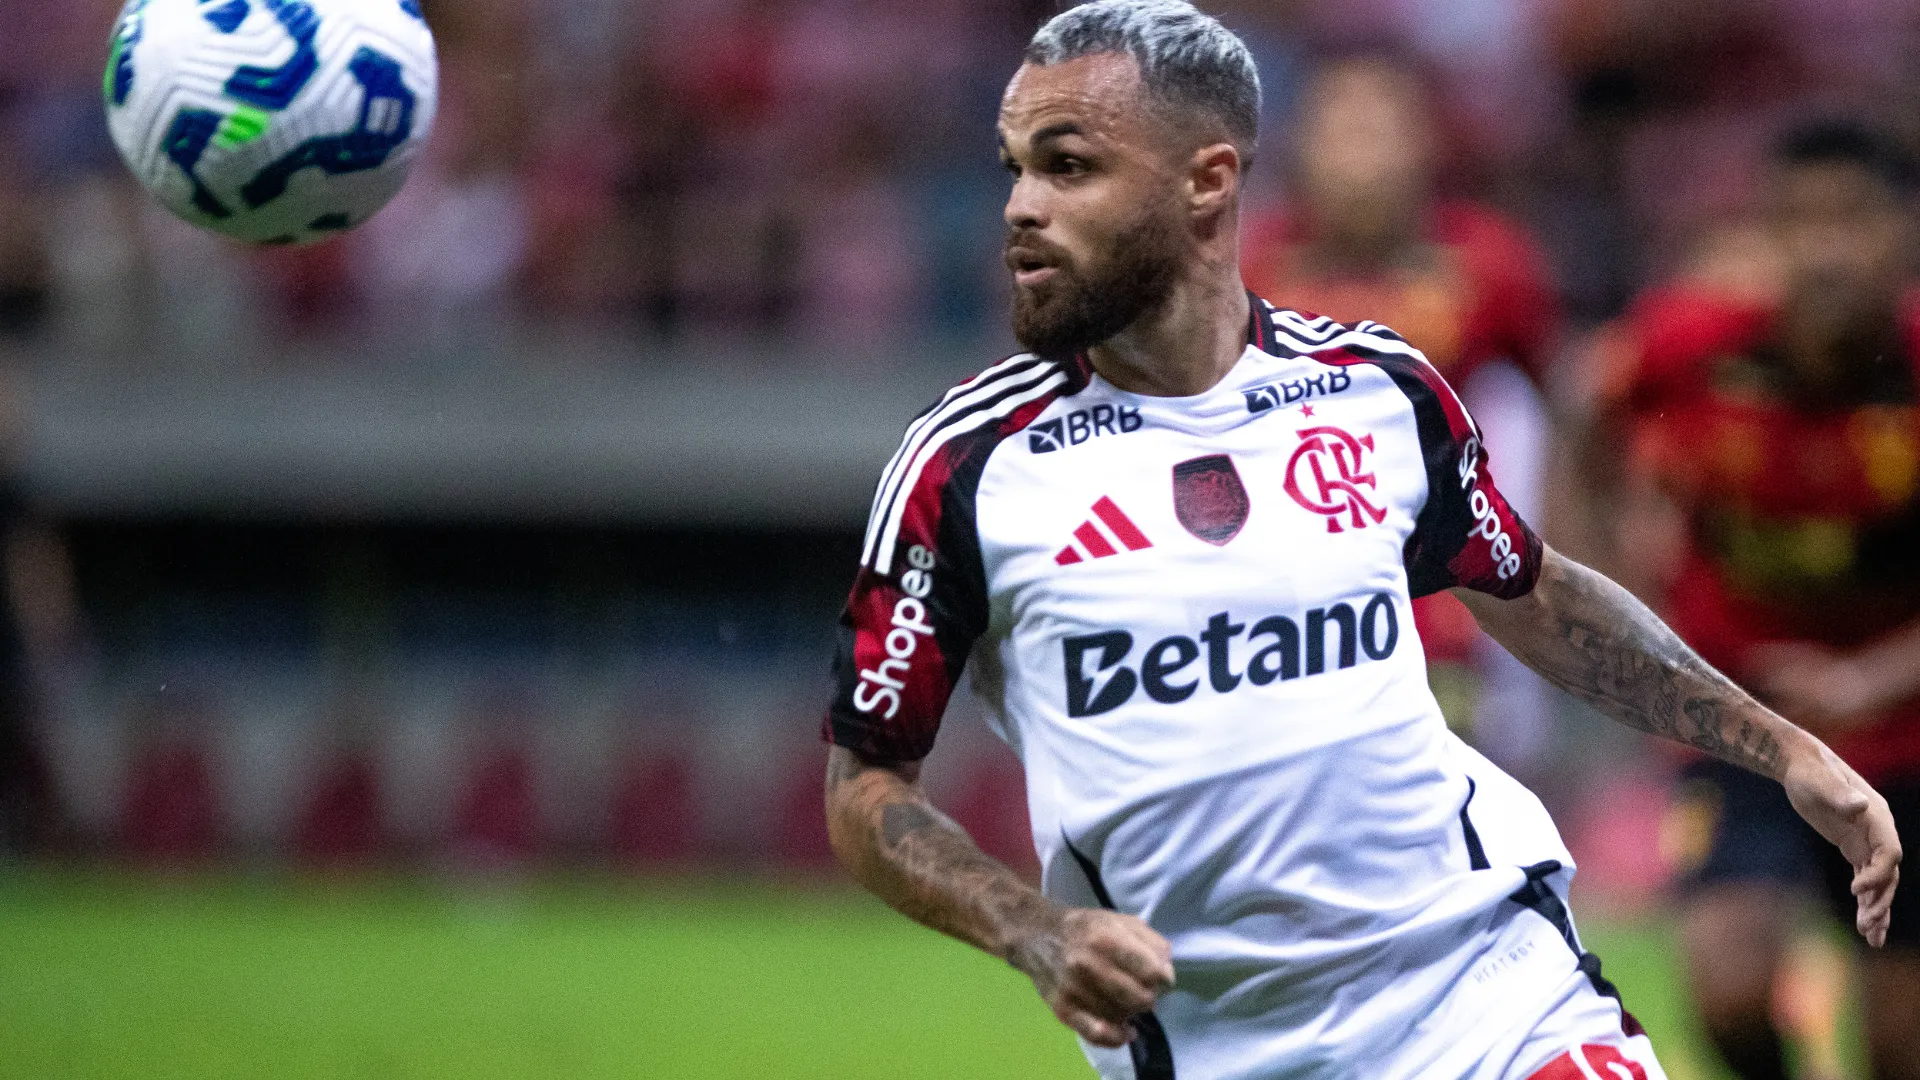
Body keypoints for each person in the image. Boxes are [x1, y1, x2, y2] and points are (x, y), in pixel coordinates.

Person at [819, 5, 1900, 1079]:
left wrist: (1783, 750)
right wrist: (1034, 930)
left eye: (1066, 167)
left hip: (1490, 989)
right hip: (1220, 1046)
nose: (1019, 208)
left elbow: (1539, 595)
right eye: (1014, 167)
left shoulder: (1379, 391)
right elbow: (867, 784)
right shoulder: (965, 469)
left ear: (1206, 182)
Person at [1607, 121, 1920, 1080]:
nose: (1823, 250)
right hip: (1742, 721)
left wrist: (1873, 678)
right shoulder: (1687, 347)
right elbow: (1590, 410)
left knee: (1900, 1050)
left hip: (1907, 734)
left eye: (1851, 221)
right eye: (1797, 222)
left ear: (1902, 232)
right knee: (1728, 986)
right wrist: (1618, 566)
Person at [1240, 51, 1562, 769]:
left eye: (1381, 128)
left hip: (1443, 608)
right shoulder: (1246, 263)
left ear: (1426, 144)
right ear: (1301, 145)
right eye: (1341, 128)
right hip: (1282, 604)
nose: (1361, 155)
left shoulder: (1492, 264)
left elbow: (1551, 417)